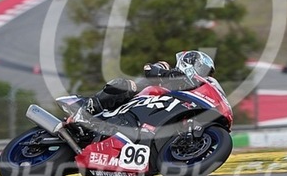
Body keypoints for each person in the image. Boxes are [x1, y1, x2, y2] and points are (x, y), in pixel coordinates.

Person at [70, 50, 222, 136]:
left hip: (155, 116)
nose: (203, 74)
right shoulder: (167, 68)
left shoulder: (192, 91)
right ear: (189, 62)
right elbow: (149, 69)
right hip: (138, 98)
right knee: (123, 85)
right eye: (202, 69)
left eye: (206, 72)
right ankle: (86, 111)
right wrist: (168, 75)